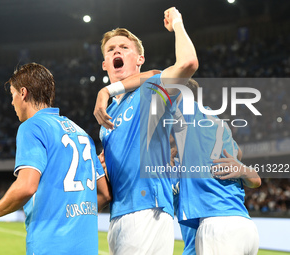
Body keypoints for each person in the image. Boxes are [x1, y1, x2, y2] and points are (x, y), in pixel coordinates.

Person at [93, 7, 198, 255]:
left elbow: (188, 63)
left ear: (140, 59)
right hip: (118, 215)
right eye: (111, 50)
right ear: (104, 64)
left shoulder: (152, 91)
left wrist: (178, 24)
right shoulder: (107, 115)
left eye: (124, 47)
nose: (116, 50)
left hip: (147, 210)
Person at [0, 63, 111, 255]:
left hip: (51, 246)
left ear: (23, 93)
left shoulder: (32, 127)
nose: (12, 102)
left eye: (12, 95)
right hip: (86, 248)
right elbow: (105, 194)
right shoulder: (81, 133)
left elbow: (26, 186)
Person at [170, 78, 261, 255]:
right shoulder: (218, 133)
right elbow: (255, 178)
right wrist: (243, 169)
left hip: (217, 227)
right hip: (244, 226)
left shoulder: (191, 117)